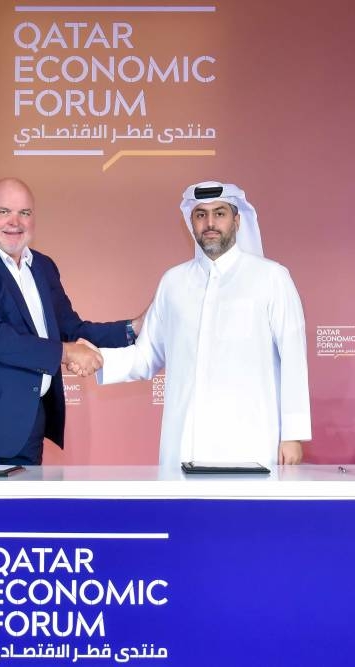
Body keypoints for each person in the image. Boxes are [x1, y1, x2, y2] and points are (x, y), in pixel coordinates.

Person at [98, 181, 311, 468]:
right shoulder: (173, 282)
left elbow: (294, 359)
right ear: (192, 222)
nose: (210, 223)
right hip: (185, 443)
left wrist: (293, 435)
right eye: (200, 215)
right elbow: (146, 356)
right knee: (183, 514)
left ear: (236, 220)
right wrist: (94, 360)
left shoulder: (272, 278)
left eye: (219, 213)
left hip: (252, 441)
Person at [0, 177, 140, 465]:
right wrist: (67, 352)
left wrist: (133, 328)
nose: (15, 222)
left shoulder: (43, 266)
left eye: (24, 213)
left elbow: (70, 328)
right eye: (4, 211)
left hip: (27, 430)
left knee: (24, 513)